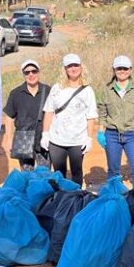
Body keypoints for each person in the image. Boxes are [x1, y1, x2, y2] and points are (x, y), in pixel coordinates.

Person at [40, 53, 98, 186]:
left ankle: (76, 200)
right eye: (69, 66)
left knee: (77, 172)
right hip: (57, 139)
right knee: (59, 174)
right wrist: (45, 133)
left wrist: (89, 138)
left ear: (81, 67)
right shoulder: (57, 88)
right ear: (65, 69)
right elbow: (49, 111)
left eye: (76, 65)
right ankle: (60, 201)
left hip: (77, 140)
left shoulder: (87, 90)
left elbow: (90, 116)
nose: (73, 68)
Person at [97, 55, 134, 190]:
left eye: (125, 68)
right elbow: (102, 112)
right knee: (113, 171)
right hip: (112, 135)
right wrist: (101, 132)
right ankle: (114, 200)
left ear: (130, 70)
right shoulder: (107, 90)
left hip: (132, 135)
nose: (122, 71)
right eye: (119, 68)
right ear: (114, 70)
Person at [1, 59, 51, 171]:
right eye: (27, 72)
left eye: (34, 71)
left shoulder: (48, 91)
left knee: (44, 174)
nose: (31, 74)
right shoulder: (16, 93)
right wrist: (9, 139)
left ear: (39, 72)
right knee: (26, 174)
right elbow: (9, 117)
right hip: (23, 139)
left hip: (44, 139)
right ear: (23, 74)